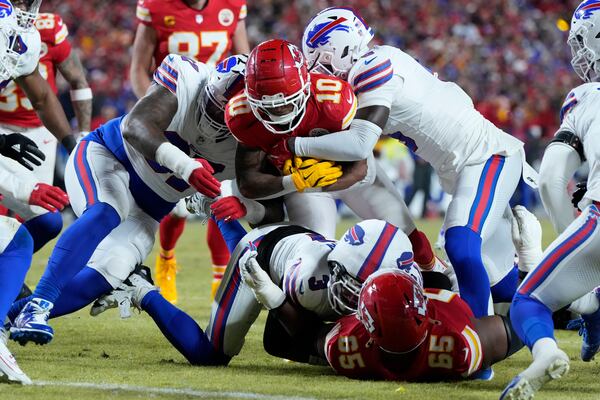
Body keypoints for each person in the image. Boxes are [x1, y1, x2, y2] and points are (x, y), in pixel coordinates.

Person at [8, 53, 249, 346]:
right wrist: (186, 166)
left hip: (147, 212)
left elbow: (246, 197)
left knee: (109, 271)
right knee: (107, 210)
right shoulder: (187, 76)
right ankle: (39, 305)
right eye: (211, 102)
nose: (212, 115)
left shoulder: (247, 145)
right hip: (107, 158)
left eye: (223, 110)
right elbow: (134, 126)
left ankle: (10, 316)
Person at [226, 39, 440, 271]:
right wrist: (297, 181)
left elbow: (361, 169)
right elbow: (248, 183)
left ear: (306, 85)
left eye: (287, 104)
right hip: (304, 190)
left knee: (408, 237)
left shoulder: (333, 100)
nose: (278, 112)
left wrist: (315, 174)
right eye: (267, 106)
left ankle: (438, 278)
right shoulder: (243, 114)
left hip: (353, 178)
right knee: (310, 261)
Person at [501, 2, 600, 397]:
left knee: (529, 301)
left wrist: (573, 246)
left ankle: (545, 353)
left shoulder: (587, 96)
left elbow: (550, 180)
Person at [131, 0, 250, 303]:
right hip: (177, 109)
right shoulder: (156, 7)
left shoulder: (231, 6)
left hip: (219, 114)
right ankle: (166, 259)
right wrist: (154, 109)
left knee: (220, 194)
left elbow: (245, 60)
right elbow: (138, 68)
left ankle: (220, 279)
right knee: (176, 202)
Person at [0, 6, 91, 254]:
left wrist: (72, 144)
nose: (23, 9)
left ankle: (9, 271)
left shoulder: (25, 38)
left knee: (47, 219)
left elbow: (42, 98)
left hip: (27, 135)